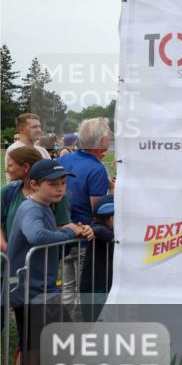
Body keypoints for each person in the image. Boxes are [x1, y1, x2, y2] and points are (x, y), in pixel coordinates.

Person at [7, 159, 93, 365]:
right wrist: (67, 232)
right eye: (53, 184)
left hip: (41, 288)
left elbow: (48, 233)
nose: (60, 188)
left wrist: (76, 231)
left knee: (44, 343)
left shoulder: (43, 207)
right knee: (32, 347)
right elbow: (36, 236)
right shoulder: (32, 208)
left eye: (63, 183)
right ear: (34, 185)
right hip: (28, 290)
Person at [59, 117, 112, 317]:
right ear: (101, 142)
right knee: (86, 289)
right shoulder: (96, 169)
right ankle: (82, 335)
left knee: (68, 288)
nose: (110, 136)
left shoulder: (64, 159)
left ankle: (64, 330)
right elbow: (99, 210)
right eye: (107, 133)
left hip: (64, 233)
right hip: (85, 239)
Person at [2, 147, 73, 254]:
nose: (6, 169)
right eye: (53, 184)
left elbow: (60, 227)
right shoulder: (8, 191)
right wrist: (4, 245)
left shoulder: (58, 196)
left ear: (25, 167)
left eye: (10, 165)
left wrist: (78, 231)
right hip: (12, 262)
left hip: (41, 260)